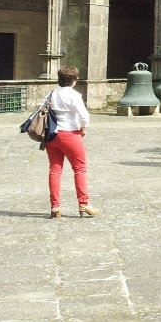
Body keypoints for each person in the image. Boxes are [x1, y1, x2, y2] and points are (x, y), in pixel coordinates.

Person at [44, 66, 98, 218]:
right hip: (70, 135)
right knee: (79, 168)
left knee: (55, 170)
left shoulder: (51, 94)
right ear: (74, 80)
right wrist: (82, 128)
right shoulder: (74, 95)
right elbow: (84, 117)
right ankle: (83, 203)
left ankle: (55, 207)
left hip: (52, 135)